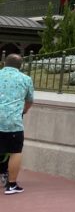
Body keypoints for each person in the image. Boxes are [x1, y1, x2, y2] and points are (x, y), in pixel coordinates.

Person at [0, 54, 34, 194]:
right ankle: (12, 185)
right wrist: (24, 110)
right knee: (15, 151)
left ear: (4, 62)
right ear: (21, 66)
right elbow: (29, 100)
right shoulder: (25, 79)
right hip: (13, 121)